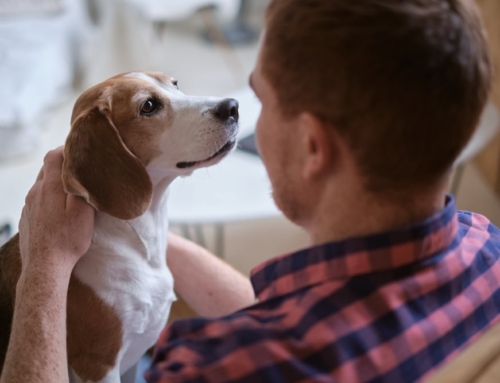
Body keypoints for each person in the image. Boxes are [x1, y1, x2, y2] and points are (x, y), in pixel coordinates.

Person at [1, 0, 498, 382]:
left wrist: (44, 264)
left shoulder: (217, 364)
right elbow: (296, 316)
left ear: (311, 145)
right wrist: (129, 226)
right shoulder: (488, 249)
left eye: (261, 98)